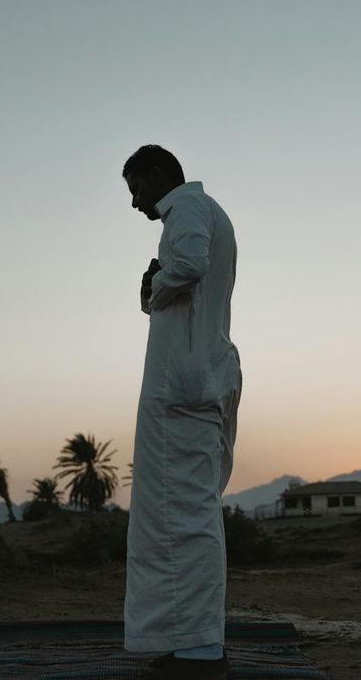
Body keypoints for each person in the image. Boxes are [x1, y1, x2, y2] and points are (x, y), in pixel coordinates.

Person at [122, 144, 242, 680]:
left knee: (183, 516)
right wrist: (158, 288)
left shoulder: (189, 209)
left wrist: (156, 286)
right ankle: (190, 640)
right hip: (194, 380)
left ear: (156, 174)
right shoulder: (200, 213)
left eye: (135, 188)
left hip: (183, 386)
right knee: (179, 514)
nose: (134, 203)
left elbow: (190, 264)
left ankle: (199, 651)